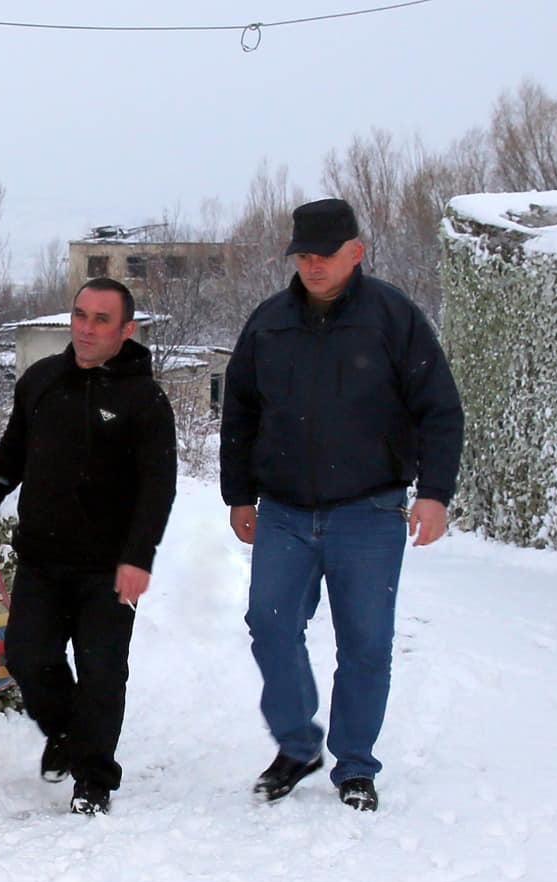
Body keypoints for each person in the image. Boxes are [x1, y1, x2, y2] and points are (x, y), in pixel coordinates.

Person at [220, 198, 463, 812]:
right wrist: (238, 493)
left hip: (369, 512)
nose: (313, 265)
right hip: (284, 511)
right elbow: (240, 413)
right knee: (270, 625)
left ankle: (355, 764)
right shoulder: (269, 322)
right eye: (303, 255)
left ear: (355, 251)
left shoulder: (392, 317)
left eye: (324, 255)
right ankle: (298, 744)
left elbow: (439, 408)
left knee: (366, 644)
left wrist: (435, 493)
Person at [0, 277, 177, 816]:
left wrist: (139, 557)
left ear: (126, 330)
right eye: (81, 315)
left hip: (109, 568)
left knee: (102, 672)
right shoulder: (41, 380)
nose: (87, 328)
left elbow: (158, 487)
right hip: (41, 557)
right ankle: (65, 732)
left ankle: (94, 780)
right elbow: (12, 452)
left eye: (102, 319)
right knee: (28, 658)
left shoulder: (144, 400)